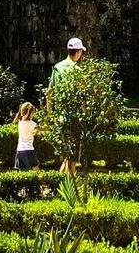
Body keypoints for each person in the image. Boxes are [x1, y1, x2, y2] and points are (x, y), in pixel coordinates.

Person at [47, 37, 86, 173]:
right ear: (79, 52)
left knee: (66, 157)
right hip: (74, 118)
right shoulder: (77, 71)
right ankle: (68, 188)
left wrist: (50, 114)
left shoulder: (57, 68)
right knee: (72, 158)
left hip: (60, 117)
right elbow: (82, 97)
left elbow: (49, 93)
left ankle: (60, 184)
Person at [13, 101, 39, 170]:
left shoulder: (20, 123)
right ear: (30, 113)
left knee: (21, 173)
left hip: (19, 151)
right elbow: (41, 129)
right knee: (36, 171)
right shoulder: (32, 124)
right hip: (29, 150)